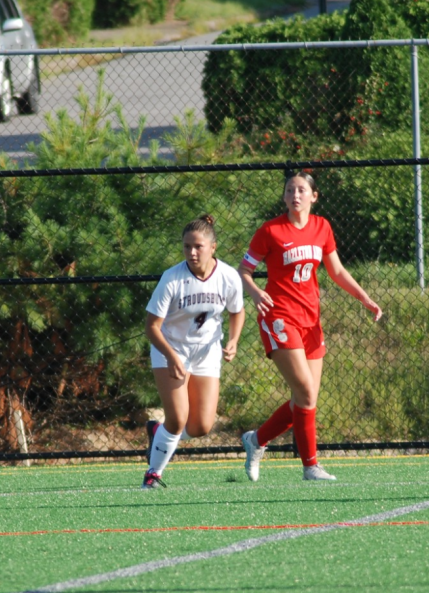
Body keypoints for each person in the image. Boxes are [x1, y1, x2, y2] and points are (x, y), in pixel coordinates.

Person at [239, 171, 382, 483]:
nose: (295, 194)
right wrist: (254, 291)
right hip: (279, 317)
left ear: (314, 196)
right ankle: (310, 467)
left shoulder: (322, 227)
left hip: (310, 320)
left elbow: (337, 270)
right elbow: (245, 271)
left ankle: (256, 440)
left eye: (302, 190)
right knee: (304, 392)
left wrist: (366, 299)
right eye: (290, 190)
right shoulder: (271, 230)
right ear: (285, 197)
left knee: (305, 400)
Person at [142, 215, 245, 489]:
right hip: (170, 349)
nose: (192, 252)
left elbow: (238, 311)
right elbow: (152, 327)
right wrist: (172, 356)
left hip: (206, 354)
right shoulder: (172, 278)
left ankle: (159, 433)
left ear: (214, 247)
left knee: (201, 427)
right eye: (187, 246)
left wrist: (233, 340)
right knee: (177, 419)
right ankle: (153, 474)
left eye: (198, 246)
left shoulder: (227, 276)